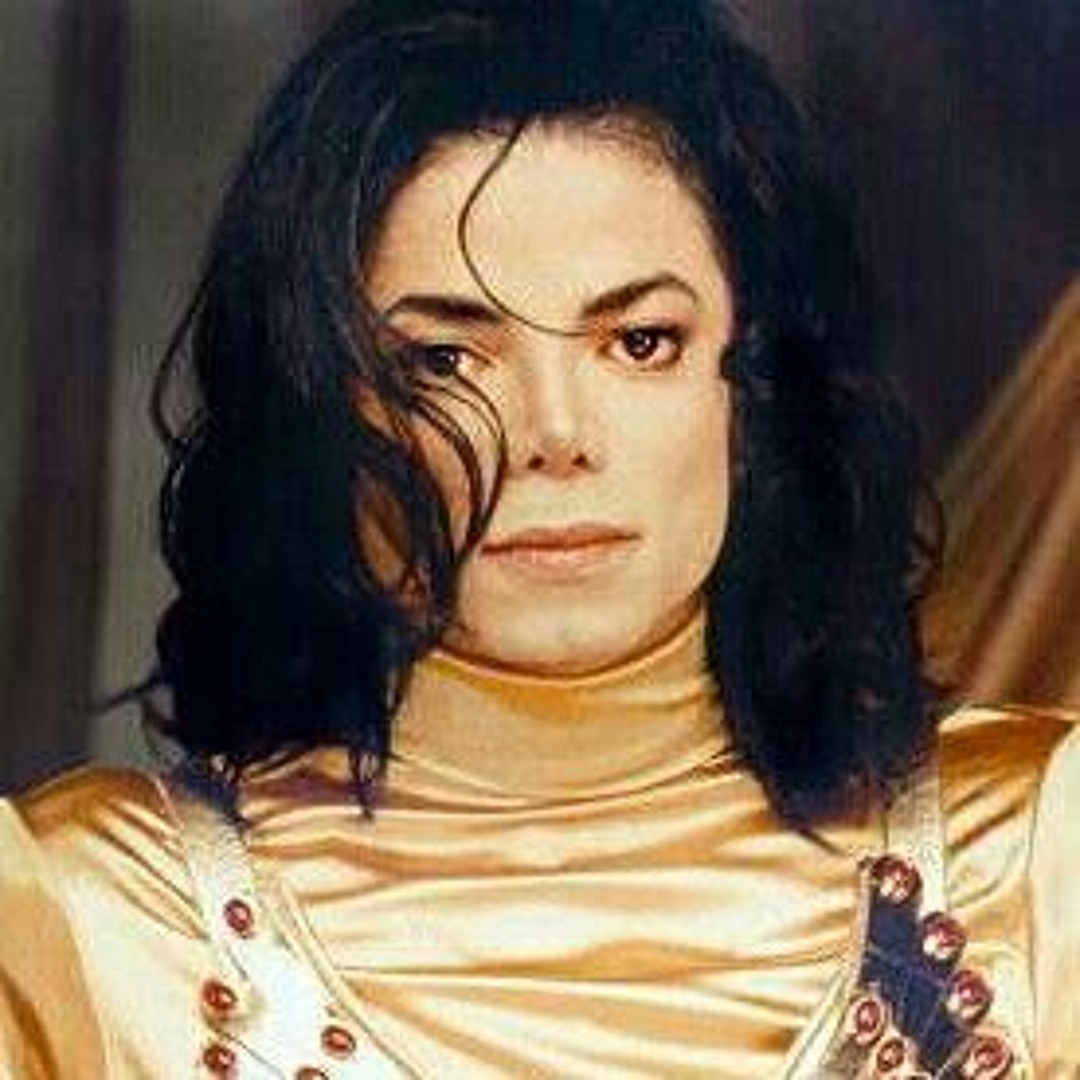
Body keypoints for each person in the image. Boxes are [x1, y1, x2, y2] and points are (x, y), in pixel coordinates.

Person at [1, 1, 1077, 1076]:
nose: (555, 434)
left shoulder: (1036, 861)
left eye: (641, 342)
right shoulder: (86, 919)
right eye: (444, 362)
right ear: (315, 411)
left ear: (751, 391)